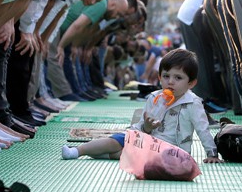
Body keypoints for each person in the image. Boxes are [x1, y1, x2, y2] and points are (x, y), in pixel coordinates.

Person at [61, 48, 222, 163]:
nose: (170, 81)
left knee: (125, 153)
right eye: (166, 76)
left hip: (170, 151)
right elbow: (141, 127)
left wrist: (212, 153)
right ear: (159, 77)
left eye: (178, 78)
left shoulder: (193, 103)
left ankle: (100, 153)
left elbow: (203, 129)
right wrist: (146, 127)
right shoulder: (154, 97)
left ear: (191, 83)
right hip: (145, 139)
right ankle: (77, 151)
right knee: (119, 138)